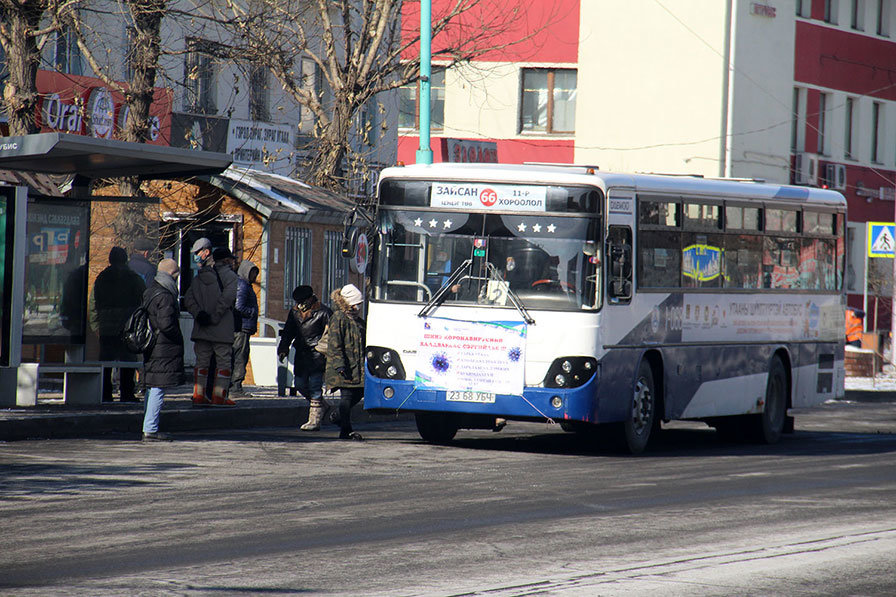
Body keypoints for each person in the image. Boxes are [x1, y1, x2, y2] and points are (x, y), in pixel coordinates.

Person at [184, 238, 238, 407]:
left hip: (202, 327)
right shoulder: (230, 277)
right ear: (227, 260)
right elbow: (227, 299)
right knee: (223, 362)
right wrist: (215, 317)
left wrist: (199, 314)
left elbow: (188, 299)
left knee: (202, 362)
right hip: (221, 328)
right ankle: (219, 396)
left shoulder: (199, 276)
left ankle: (198, 395)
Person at [89, 246, 146, 402]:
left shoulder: (101, 278)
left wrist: (96, 326)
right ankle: (127, 392)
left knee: (106, 362)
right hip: (127, 326)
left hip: (106, 326)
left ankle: (105, 393)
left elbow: (93, 303)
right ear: (125, 259)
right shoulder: (133, 278)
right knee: (128, 361)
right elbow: (144, 300)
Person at [278, 285, 332, 431]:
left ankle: (314, 420)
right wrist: (283, 348)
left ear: (310, 298)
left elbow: (330, 336)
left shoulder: (323, 312)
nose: (300, 304)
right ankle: (322, 406)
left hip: (317, 354)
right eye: (297, 301)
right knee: (300, 384)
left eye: (303, 301)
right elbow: (289, 331)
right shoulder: (295, 312)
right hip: (301, 353)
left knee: (315, 386)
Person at [141, 258, 184, 441]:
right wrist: (177, 337)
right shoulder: (166, 295)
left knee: (152, 385)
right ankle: (150, 428)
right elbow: (167, 324)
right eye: (176, 275)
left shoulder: (150, 290)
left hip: (152, 345)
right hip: (163, 346)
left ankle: (148, 424)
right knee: (158, 386)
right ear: (171, 275)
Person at [325, 283, 366, 440]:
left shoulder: (359, 322)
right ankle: (346, 430)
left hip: (357, 367)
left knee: (360, 392)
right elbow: (335, 344)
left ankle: (338, 417)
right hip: (343, 366)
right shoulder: (338, 318)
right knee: (346, 397)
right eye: (356, 304)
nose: (358, 307)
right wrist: (339, 365)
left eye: (360, 304)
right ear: (348, 303)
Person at [231, 260, 260, 398]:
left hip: (243, 327)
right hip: (241, 327)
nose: (255, 276)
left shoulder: (246, 285)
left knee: (240, 355)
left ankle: (235, 386)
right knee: (240, 356)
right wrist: (253, 312)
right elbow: (239, 307)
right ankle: (235, 388)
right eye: (253, 272)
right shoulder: (242, 285)